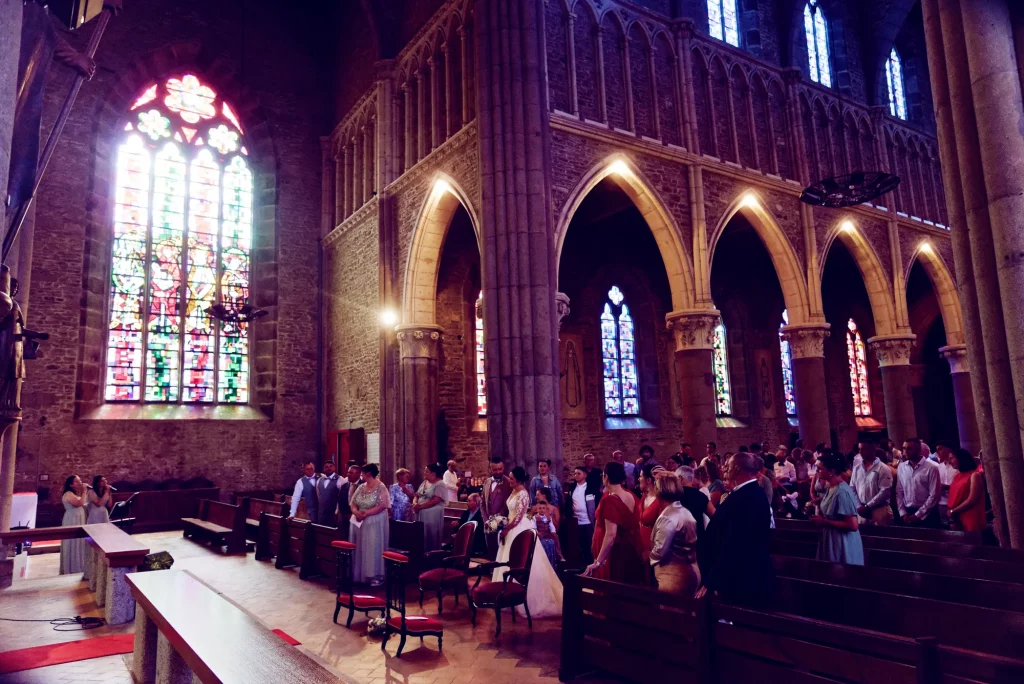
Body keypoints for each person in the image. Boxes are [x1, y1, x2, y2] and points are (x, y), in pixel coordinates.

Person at [698, 453, 775, 607]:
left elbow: (733, 544)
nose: (724, 469)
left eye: (728, 467)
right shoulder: (747, 493)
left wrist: (711, 581)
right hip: (739, 575)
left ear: (737, 469)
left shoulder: (747, 498)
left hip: (742, 579)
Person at [493, 467, 563, 618]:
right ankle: (506, 594)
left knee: (521, 560)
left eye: (512, 478)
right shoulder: (513, 491)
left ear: (518, 480)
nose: (509, 481)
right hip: (511, 526)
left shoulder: (523, 494)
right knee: (507, 560)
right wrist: (502, 522)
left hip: (518, 528)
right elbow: (511, 513)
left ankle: (523, 596)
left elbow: (519, 517)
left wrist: (507, 528)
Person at [583, 462, 644, 584]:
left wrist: (598, 562)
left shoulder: (610, 500)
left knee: (616, 589)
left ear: (606, 477)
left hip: (617, 552)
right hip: (632, 548)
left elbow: (611, 534)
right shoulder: (630, 494)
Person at [649, 475, 700, 597]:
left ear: (659, 492)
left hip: (674, 575)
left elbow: (660, 550)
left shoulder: (667, 517)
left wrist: (648, 555)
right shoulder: (684, 511)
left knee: (671, 608)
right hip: (691, 569)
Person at [810, 452, 864, 565]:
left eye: (820, 468)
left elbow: (853, 525)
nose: (817, 471)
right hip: (832, 538)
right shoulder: (832, 487)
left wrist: (824, 521)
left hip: (842, 542)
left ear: (832, 471)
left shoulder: (842, 492)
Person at [348, 463, 391, 586]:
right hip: (359, 521)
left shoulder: (381, 487)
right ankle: (359, 574)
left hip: (374, 522)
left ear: (368, 474)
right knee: (359, 547)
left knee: (372, 548)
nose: (361, 475)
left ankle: (374, 575)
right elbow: (353, 502)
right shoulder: (361, 487)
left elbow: (382, 505)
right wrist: (356, 512)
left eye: (362, 473)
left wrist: (366, 513)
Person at [896, 437, 942, 528]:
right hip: (907, 511)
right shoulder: (901, 467)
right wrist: (902, 512)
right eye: (904, 448)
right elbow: (899, 491)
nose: (905, 452)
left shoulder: (931, 468)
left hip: (928, 514)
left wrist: (918, 514)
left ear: (918, 450)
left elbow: (934, 495)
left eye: (909, 448)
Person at [851, 447, 894, 525]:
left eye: (864, 449)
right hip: (861, 511)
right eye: (859, 449)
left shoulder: (883, 468)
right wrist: (858, 505)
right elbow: (852, 488)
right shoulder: (857, 469)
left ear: (872, 449)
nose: (860, 452)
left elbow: (884, 492)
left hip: (879, 510)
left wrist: (867, 506)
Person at [566, 465, 599, 567]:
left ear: (585, 475)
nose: (576, 475)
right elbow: (568, 502)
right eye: (575, 473)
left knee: (589, 545)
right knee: (578, 546)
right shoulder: (572, 487)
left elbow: (597, 503)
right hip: (576, 522)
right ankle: (580, 567)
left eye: (578, 473)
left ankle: (591, 566)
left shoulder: (591, 487)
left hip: (588, 521)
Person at [947, 448, 986, 533]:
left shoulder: (974, 475)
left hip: (970, 516)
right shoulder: (957, 476)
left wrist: (953, 511)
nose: (949, 462)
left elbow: (972, 500)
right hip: (958, 515)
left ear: (961, 458)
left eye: (951, 458)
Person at [638, 463, 668, 567]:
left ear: (648, 480)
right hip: (641, 544)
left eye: (641, 476)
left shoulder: (661, 501)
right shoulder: (644, 496)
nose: (638, 479)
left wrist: (652, 552)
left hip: (653, 548)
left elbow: (663, 530)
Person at [482, 457, 513, 559]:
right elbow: (482, 503)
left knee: (500, 554)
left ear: (503, 468)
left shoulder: (508, 482)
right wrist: (486, 521)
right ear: (490, 469)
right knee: (490, 552)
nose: (498, 472)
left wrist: (497, 521)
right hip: (487, 525)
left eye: (500, 469)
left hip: (501, 524)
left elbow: (507, 504)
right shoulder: (487, 481)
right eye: (495, 470)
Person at [414, 463, 447, 552]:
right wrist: (415, 504)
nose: (424, 473)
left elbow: (435, 500)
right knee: (421, 534)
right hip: (420, 511)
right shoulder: (424, 482)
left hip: (432, 514)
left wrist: (420, 506)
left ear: (433, 473)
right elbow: (416, 495)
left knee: (430, 534)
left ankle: (431, 553)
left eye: (427, 472)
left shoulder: (440, 484)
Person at [60, 475, 89, 574]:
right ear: (71, 484)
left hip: (78, 519)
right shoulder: (68, 494)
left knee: (79, 542)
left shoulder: (74, 493)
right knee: (72, 542)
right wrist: (84, 491)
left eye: (80, 480)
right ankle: (72, 568)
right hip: (72, 519)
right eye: (77, 481)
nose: (80, 482)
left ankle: (79, 565)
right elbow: (78, 503)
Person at [677, 466, 715, 539]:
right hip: (698, 538)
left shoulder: (674, 495)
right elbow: (714, 515)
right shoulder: (701, 496)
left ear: (680, 478)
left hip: (678, 539)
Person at [531, 488, 563, 570]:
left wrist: (549, 517)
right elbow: (530, 521)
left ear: (544, 495)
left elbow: (556, 527)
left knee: (553, 539)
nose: (536, 497)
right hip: (538, 534)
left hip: (549, 534)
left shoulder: (554, 509)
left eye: (538, 495)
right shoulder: (534, 508)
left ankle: (559, 556)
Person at [458, 493, 489, 557]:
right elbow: (461, 525)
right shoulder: (466, 513)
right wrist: (457, 524)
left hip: (475, 542)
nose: (467, 503)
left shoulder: (482, 515)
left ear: (476, 502)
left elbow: (481, 531)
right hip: (463, 540)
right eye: (467, 501)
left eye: (469, 501)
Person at [338, 462, 362, 534]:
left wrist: (355, 514)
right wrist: (345, 514)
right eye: (348, 472)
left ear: (358, 474)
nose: (348, 474)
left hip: (358, 518)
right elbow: (340, 501)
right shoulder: (344, 486)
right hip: (345, 518)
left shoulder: (363, 485)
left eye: (351, 473)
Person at [316, 460, 341, 526]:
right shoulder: (319, 480)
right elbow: (319, 496)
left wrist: (337, 511)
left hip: (333, 513)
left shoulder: (340, 479)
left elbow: (341, 498)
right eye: (326, 467)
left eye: (331, 466)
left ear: (334, 467)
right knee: (321, 530)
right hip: (321, 513)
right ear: (324, 469)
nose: (328, 468)